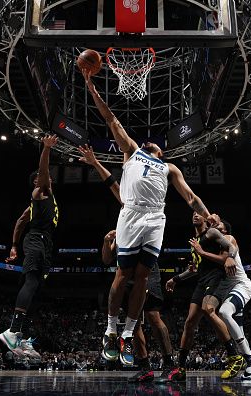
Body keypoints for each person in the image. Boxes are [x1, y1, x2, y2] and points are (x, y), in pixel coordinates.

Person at [83, 69, 217, 367]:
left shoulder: (169, 168)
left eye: (152, 143)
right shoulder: (130, 151)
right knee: (122, 275)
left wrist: (209, 217)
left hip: (156, 219)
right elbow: (111, 120)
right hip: (130, 215)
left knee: (142, 278)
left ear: (160, 151)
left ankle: (128, 334)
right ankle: (109, 330)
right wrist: (92, 89)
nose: (147, 142)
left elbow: (191, 198)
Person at [79, 144, 174, 382]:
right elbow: (106, 259)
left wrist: (95, 162)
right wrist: (105, 241)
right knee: (136, 324)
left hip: (145, 270)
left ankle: (171, 365)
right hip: (125, 270)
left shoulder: (143, 198)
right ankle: (145, 367)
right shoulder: (122, 221)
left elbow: (118, 174)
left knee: (153, 316)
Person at [0, 135, 59, 358]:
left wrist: (14, 245)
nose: (49, 178)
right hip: (36, 240)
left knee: (35, 288)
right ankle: (13, 331)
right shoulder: (41, 191)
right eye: (44, 177)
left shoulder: (36, 205)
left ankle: (22, 338)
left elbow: (20, 221)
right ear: (38, 182)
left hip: (44, 242)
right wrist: (46, 148)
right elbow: (43, 169)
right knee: (32, 281)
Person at [163, 214, 240, 382]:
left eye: (199, 213)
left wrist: (230, 259)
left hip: (216, 277)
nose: (195, 215)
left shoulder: (211, 232)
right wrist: (175, 279)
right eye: (193, 213)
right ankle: (181, 368)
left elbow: (231, 247)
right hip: (202, 279)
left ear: (205, 220)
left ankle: (234, 356)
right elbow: (195, 269)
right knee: (189, 322)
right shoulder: (195, 241)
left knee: (208, 309)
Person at [216, 219, 251, 380]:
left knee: (224, 312)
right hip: (227, 291)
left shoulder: (228, 239)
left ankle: (250, 362)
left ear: (225, 232)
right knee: (239, 332)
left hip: (241, 286)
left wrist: (202, 252)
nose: (216, 230)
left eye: (219, 229)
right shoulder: (214, 247)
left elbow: (232, 249)